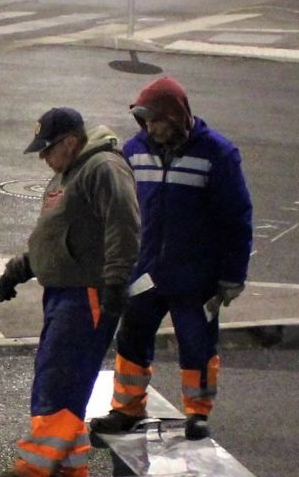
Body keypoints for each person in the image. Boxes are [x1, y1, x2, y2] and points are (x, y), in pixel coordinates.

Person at [0, 105, 141, 477]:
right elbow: (54, 237)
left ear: (70, 142)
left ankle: (35, 469)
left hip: (87, 292)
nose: (42, 156)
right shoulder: (66, 174)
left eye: (47, 147)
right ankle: (69, 471)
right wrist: (19, 269)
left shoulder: (103, 168)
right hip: (63, 292)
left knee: (59, 379)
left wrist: (115, 281)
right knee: (61, 379)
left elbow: (124, 223)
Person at [92, 76, 254, 441]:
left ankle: (197, 412)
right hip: (144, 273)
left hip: (196, 276)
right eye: (145, 121)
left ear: (177, 117)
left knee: (197, 344)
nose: (150, 128)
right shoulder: (133, 152)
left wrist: (232, 274)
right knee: (132, 339)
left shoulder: (217, 154)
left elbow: (236, 217)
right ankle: (127, 408)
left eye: (156, 121)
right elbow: (118, 213)